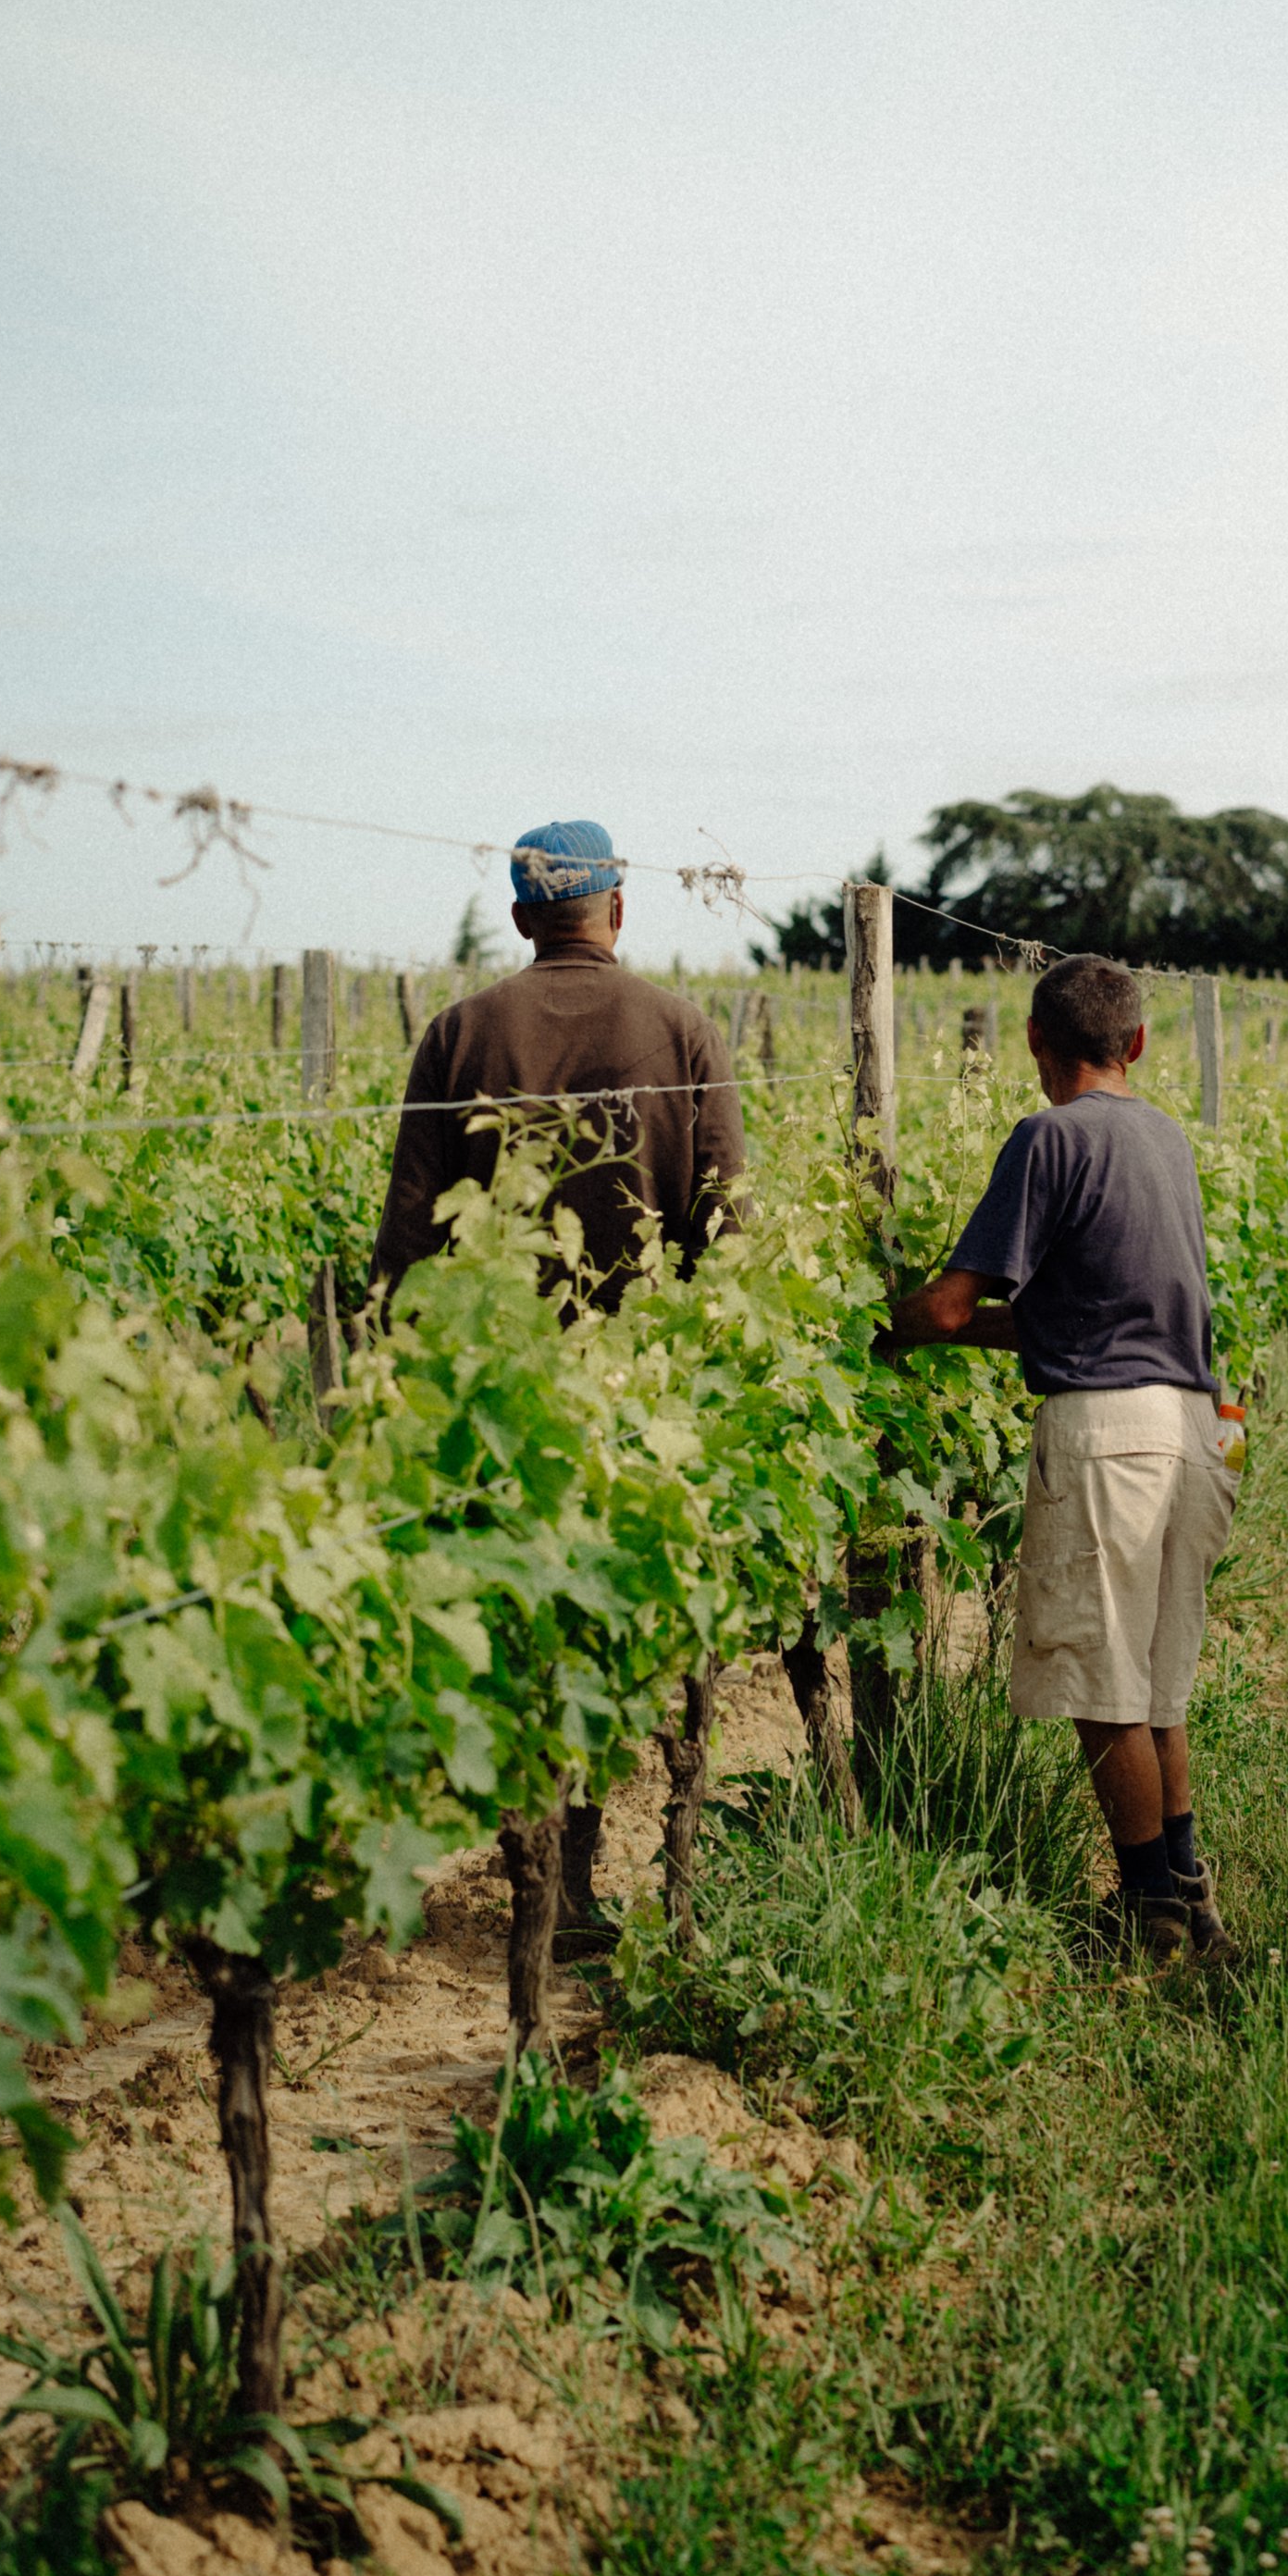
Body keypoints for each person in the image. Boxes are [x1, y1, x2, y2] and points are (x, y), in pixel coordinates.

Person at [370, 817, 746, 1934]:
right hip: (643, 1391)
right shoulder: (683, 1028)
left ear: (523, 916)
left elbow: (408, 1243)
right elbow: (725, 1234)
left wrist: (401, 1386)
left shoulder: (458, 1033)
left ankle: (541, 1861)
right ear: (617, 909)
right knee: (613, 1629)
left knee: (521, 1622)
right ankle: (580, 1874)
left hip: (498, 1394)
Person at [881, 953, 1239, 1966]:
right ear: (1138, 1044)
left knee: (1099, 1682)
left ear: (1034, 1040)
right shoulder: (1165, 1138)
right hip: (1196, 1427)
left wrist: (880, 1326)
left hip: (1109, 1439)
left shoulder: (1050, 1137)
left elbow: (954, 1307)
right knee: (1156, 1684)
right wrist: (962, 1333)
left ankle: (1147, 1914)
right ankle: (1193, 1900)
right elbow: (1068, 1317)